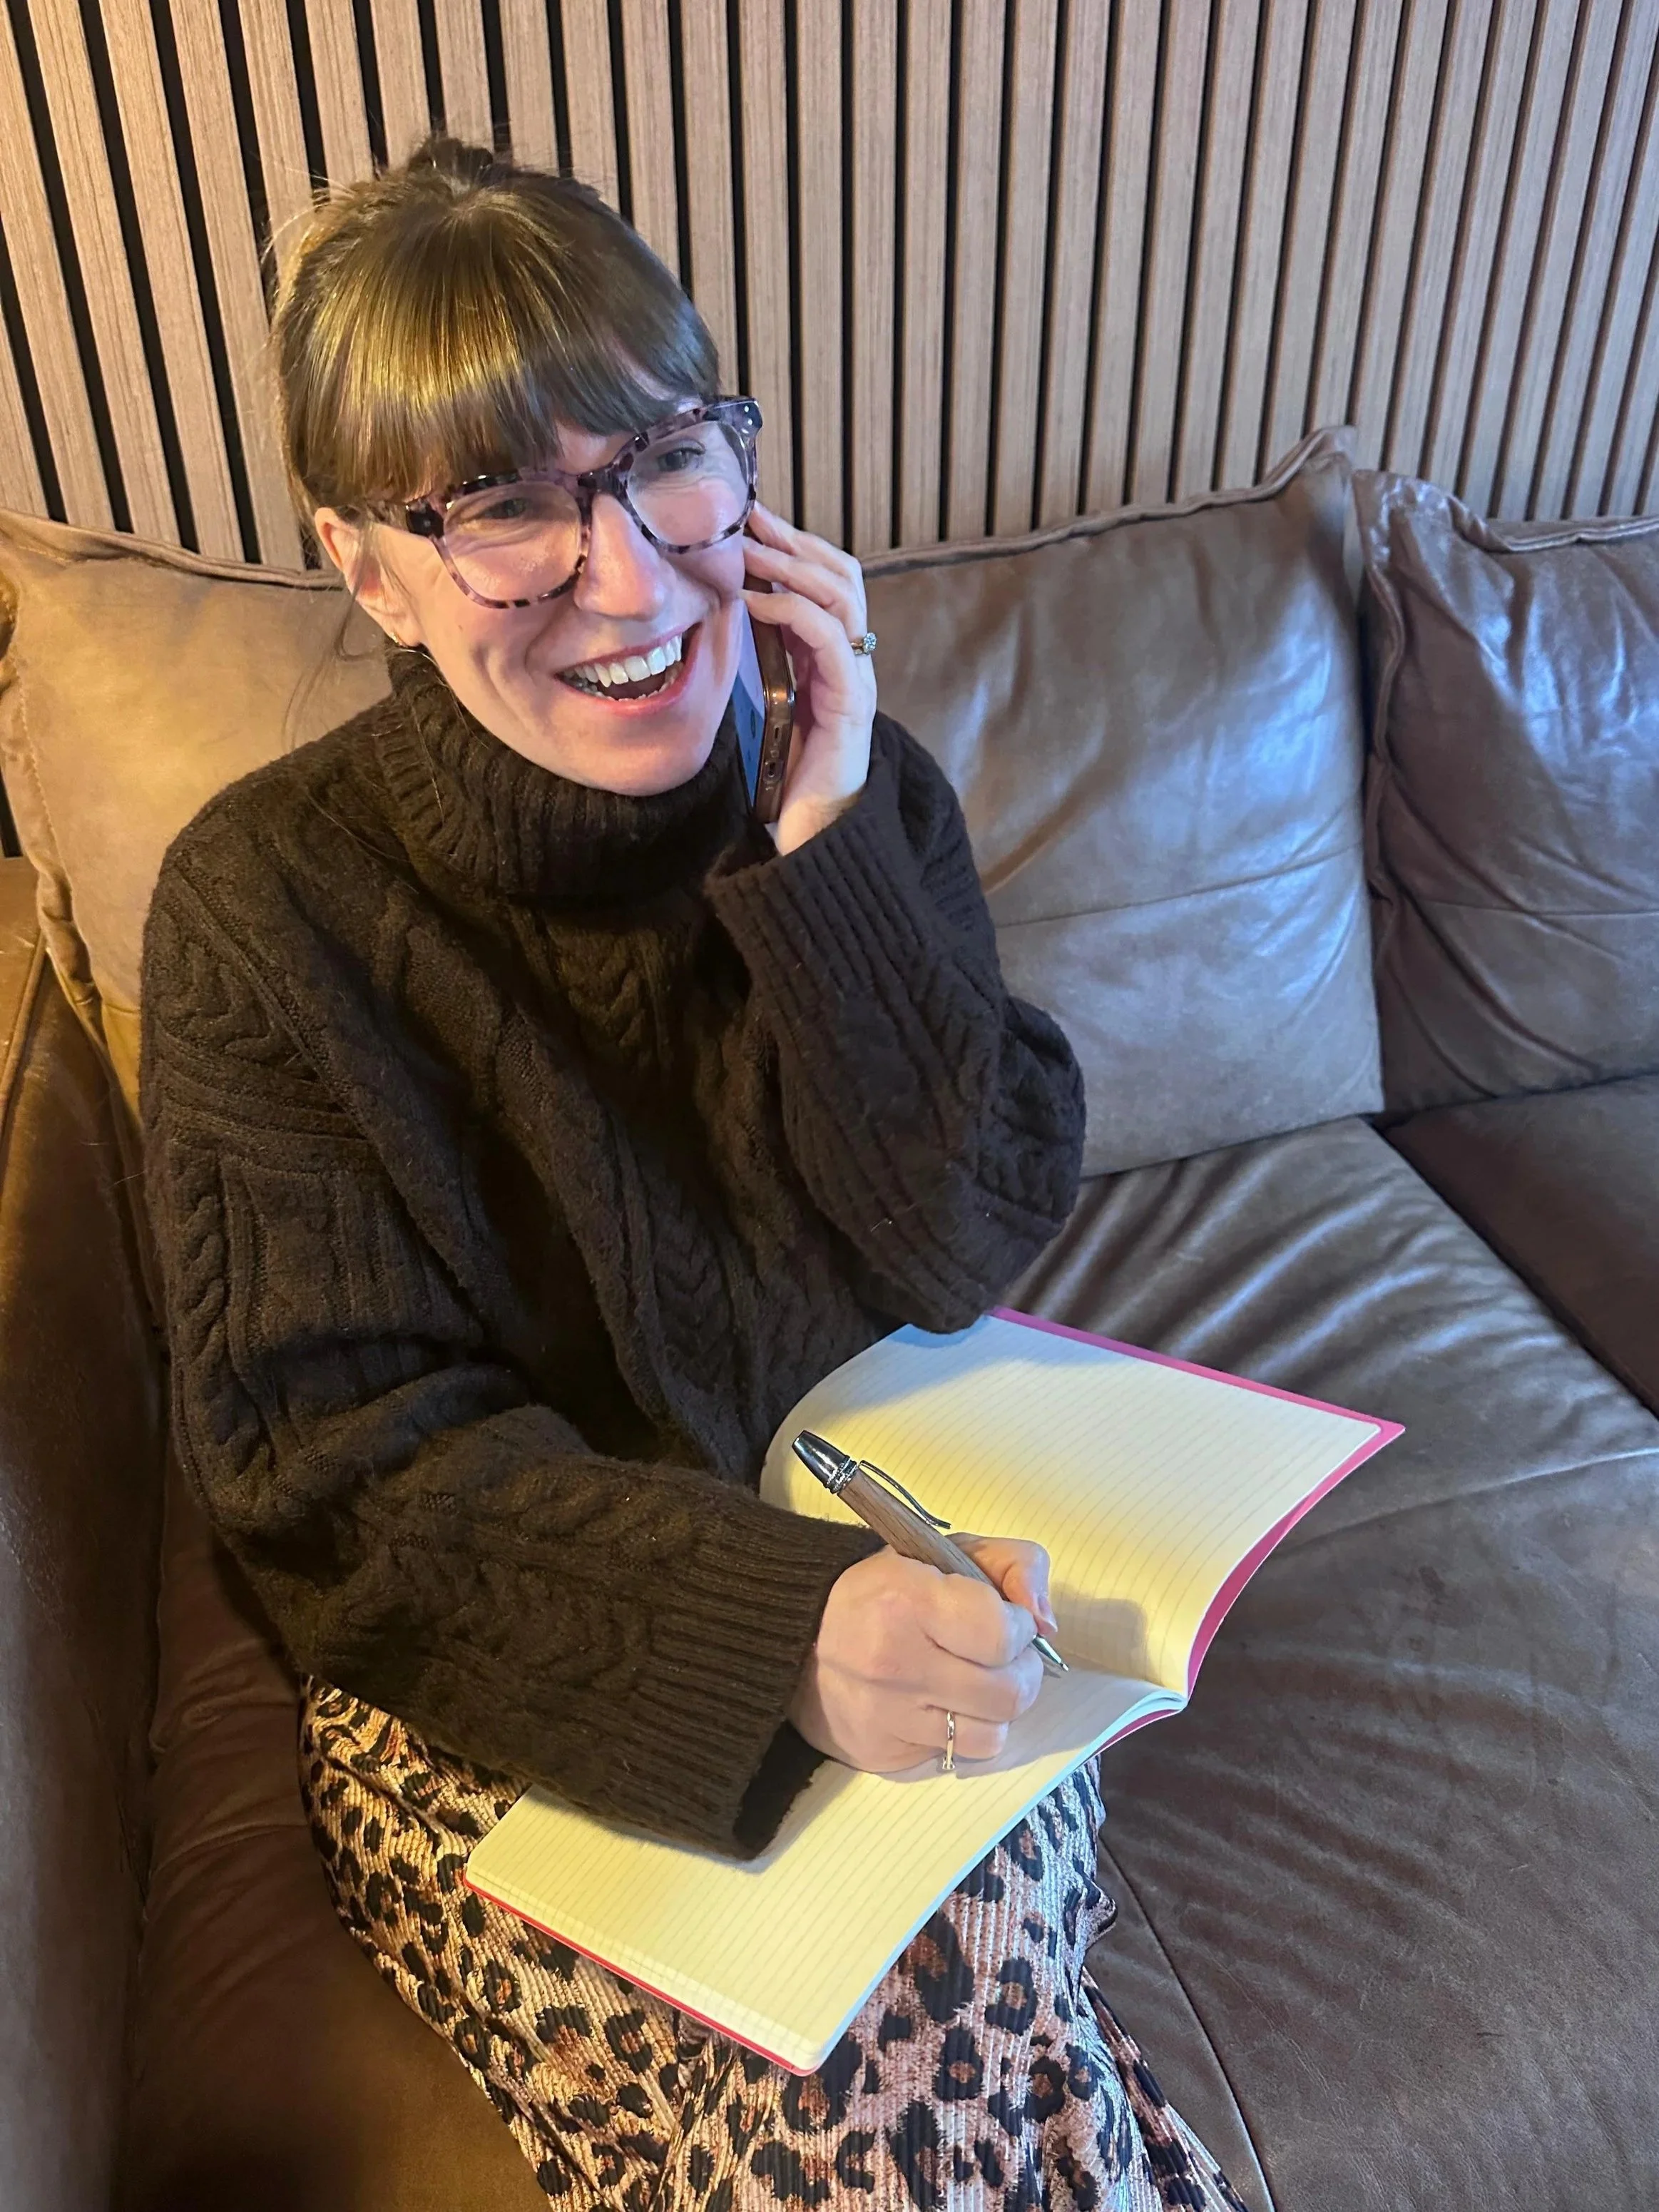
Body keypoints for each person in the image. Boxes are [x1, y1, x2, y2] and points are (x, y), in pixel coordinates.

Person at [138, 136, 1247, 2212]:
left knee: (925, 2013)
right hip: (511, 1648)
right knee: (899, 2091)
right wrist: (774, 1635)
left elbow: (958, 1242)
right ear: (365, 566)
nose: (631, 577)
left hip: (919, 1562)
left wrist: (822, 858)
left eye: (660, 459)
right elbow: (323, 1468)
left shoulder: (853, 786)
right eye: (499, 510)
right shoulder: (262, 907)